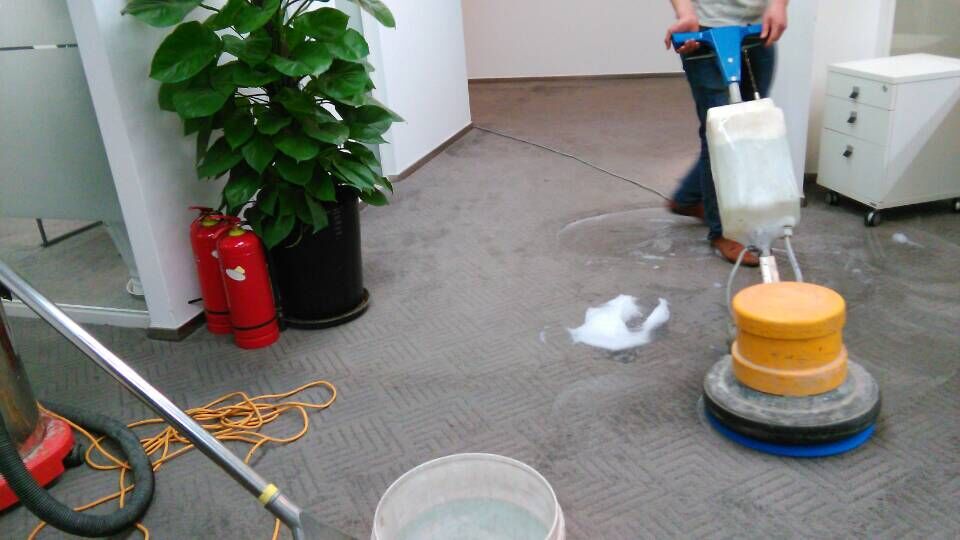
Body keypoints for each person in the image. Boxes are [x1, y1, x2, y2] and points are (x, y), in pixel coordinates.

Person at [664, 0, 788, 266]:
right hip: (706, 31)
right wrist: (686, 13)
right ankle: (724, 232)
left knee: (750, 126)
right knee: (720, 131)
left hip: (758, 30)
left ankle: (689, 196)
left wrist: (778, 6)